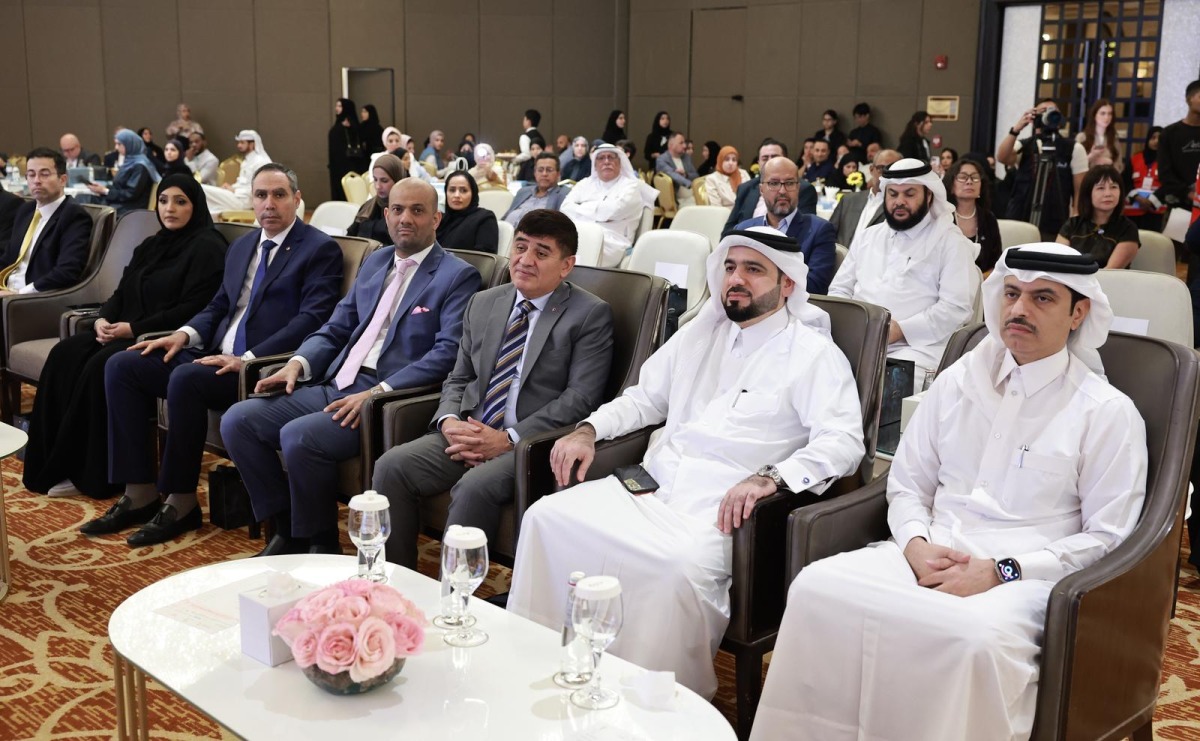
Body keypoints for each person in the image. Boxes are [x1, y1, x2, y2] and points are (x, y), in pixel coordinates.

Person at [752, 243, 1147, 741]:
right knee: (816, 589)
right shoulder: (960, 380)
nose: (1019, 310)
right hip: (930, 547)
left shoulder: (1106, 413)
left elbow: (1108, 538)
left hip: (1027, 580)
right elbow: (908, 482)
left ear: (1079, 313)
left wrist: (1001, 571)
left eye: (1042, 298)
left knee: (968, 640)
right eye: (1011, 294)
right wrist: (915, 545)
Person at [508, 226, 865, 697]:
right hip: (651, 487)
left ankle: (652, 703)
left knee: (673, 568)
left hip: (721, 510)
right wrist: (589, 430)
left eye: (754, 270)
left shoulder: (813, 354)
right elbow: (643, 400)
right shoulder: (699, 335)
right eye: (730, 268)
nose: (736, 279)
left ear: (787, 285)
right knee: (546, 518)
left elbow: (843, 442)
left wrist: (770, 478)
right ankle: (541, 672)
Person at [220, 179, 481, 556]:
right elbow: (336, 326)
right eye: (396, 209)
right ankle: (287, 529)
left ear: (436, 218)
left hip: (385, 396)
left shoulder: (457, 275)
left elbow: (446, 354)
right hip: (336, 381)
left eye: (417, 210)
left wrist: (376, 393)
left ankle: (321, 543)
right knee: (238, 420)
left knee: (299, 436)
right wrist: (298, 362)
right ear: (386, 214)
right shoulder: (376, 261)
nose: (405, 218)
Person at [86, 165, 343, 545]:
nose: (268, 204)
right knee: (123, 365)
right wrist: (184, 334)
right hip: (211, 355)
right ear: (251, 200)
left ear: (297, 199)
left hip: (259, 367)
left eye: (279, 195)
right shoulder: (243, 246)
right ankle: (138, 491)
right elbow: (219, 304)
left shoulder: (319, 249)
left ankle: (181, 501)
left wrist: (249, 357)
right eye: (260, 195)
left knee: (186, 379)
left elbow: (312, 319)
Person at [372, 209, 615, 567]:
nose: (525, 260)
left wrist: (507, 439)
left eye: (541, 252)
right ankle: (396, 578)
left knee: (474, 487)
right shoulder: (485, 302)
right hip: (470, 429)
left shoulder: (589, 314)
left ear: (566, 265)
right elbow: (459, 376)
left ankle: (455, 600)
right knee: (391, 466)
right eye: (520, 247)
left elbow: (579, 399)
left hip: (529, 443)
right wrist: (449, 421)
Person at [21, 173, 227, 500]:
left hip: (157, 336)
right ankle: (53, 462)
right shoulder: (152, 244)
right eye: (163, 201)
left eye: (180, 201)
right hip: (122, 329)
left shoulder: (209, 248)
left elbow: (194, 308)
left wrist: (134, 329)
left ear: (195, 205)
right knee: (65, 355)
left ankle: (93, 474)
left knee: (98, 367)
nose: (169, 208)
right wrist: (103, 318)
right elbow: (121, 292)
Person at [829, 159, 978, 385]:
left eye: (909, 194)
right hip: (859, 339)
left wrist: (900, 330)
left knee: (874, 385)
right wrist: (850, 327)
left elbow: (956, 308)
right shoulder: (869, 236)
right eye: (893, 194)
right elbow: (840, 289)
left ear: (929, 196)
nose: (900, 202)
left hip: (917, 348)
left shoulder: (950, 242)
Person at [734, 157, 837, 295]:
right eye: (774, 183)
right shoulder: (743, 230)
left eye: (789, 183)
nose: (782, 190)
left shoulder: (819, 230)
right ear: (761, 189)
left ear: (798, 188)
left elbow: (815, 286)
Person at [0, 148, 93, 295]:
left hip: (34, 298)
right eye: (31, 174)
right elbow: (8, 258)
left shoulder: (73, 215)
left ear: (62, 180)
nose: (36, 180)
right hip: (7, 290)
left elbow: (67, 271)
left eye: (44, 174)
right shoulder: (25, 211)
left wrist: (19, 294)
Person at [997, 98, 1089, 238]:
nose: (1048, 116)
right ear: (1035, 118)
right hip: (1021, 218)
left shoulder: (1073, 148)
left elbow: (1080, 191)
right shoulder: (1026, 145)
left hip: (1055, 221)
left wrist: (1074, 224)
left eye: (1053, 112)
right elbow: (1002, 157)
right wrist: (1016, 129)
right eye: (1043, 112)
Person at [560, 144, 658, 267]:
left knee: (585, 246)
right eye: (601, 158)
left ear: (620, 162)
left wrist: (581, 208)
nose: (606, 161)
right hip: (579, 234)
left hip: (613, 242)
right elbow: (565, 208)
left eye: (611, 157)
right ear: (595, 165)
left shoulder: (632, 186)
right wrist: (601, 212)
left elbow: (615, 211)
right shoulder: (584, 184)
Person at [724, 139, 818, 232]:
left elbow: (806, 232)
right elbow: (729, 229)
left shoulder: (803, 189)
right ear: (758, 163)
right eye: (764, 158)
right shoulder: (745, 188)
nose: (769, 162)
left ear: (785, 160)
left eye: (774, 157)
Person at [1056, 164, 1139, 269]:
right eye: (1100, 188)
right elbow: (1058, 264)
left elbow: (1110, 271)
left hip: (1108, 283)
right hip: (1069, 282)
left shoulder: (1128, 229)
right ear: (1088, 193)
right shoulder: (1072, 224)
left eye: (1113, 187)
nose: (1108, 194)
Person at [828, 148, 903, 250]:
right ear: (871, 170)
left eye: (892, 170)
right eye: (881, 168)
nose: (887, 175)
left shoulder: (900, 207)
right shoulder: (849, 200)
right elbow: (827, 235)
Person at [1150, 79, 1200, 217]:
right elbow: (1165, 173)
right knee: (1174, 239)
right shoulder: (1169, 133)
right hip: (1178, 206)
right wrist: (1189, 193)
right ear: (1189, 99)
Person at [946, 157, 1003, 272]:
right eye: (963, 177)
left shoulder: (989, 219)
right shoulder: (942, 218)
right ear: (952, 186)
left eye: (975, 177)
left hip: (983, 284)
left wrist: (978, 281)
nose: (969, 181)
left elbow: (997, 263)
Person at [86, 129, 160, 216]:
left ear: (129, 144)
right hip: (122, 202)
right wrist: (103, 189)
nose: (116, 147)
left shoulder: (140, 165)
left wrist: (106, 191)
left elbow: (131, 194)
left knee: (88, 205)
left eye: (119, 144)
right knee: (84, 199)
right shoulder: (130, 161)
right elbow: (120, 186)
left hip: (130, 207)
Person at [202, 130, 271, 216]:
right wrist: (230, 187)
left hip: (244, 201)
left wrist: (235, 190)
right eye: (238, 143)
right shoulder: (247, 161)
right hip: (236, 195)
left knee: (202, 189)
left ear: (252, 144)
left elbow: (260, 189)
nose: (239, 145)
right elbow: (242, 183)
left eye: (242, 143)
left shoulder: (261, 162)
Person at [349, 153, 406, 243]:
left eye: (384, 181)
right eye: (375, 179)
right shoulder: (368, 206)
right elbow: (350, 237)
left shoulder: (405, 211)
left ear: (397, 180)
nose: (378, 186)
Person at [438, 171, 499, 253]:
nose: (457, 195)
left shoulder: (484, 218)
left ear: (473, 193)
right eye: (452, 190)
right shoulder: (440, 219)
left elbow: (485, 259)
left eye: (463, 190)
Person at [504, 153, 570, 227]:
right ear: (535, 173)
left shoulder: (563, 195)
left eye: (549, 170)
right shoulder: (523, 191)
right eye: (540, 170)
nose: (544, 174)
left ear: (558, 174)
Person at [1124, 126, 1167, 231]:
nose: (1156, 141)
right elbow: (1125, 181)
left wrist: (1150, 201)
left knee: (1152, 242)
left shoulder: (1167, 161)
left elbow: (1169, 184)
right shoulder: (1135, 158)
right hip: (1132, 210)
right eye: (1153, 138)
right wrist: (1137, 198)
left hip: (1156, 211)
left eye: (1159, 138)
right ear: (1148, 140)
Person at [328, 97, 366, 201]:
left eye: (340, 106)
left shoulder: (353, 128)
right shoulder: (337, 128)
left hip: (353, 167)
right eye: (336, 105)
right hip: (339, 168)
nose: (337, 108)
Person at [1077, 98, 1123, 172]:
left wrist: (1109, 162)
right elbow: (1075, 164)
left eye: (1109, 114)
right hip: (1087, 179)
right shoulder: (1082, 137)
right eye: (1103, 113)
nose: (1106, 117)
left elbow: (1120, 165)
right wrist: (1091, 156)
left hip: (1107, 179)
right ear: (1094, 115)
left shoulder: (1114, 139)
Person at [655, 132, 700, 204]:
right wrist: (690, 185)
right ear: (671, 145)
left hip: (693, 194)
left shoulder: (686, 157)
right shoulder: (662, 160)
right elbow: (672, 174)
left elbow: (696, 175)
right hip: (676, 199)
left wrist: (686, 175)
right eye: (681, 143)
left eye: (684, 143)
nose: (685, 146)